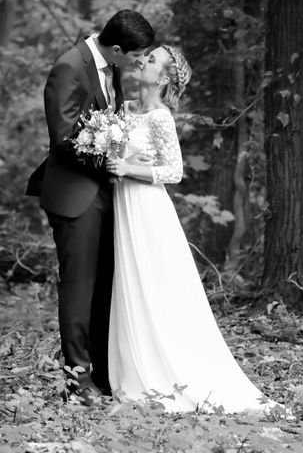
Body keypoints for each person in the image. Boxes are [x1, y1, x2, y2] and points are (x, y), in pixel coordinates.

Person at [105, 46, 285, 415]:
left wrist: (127, 169)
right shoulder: (122, 110)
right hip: (121, 208)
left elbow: (174, 171)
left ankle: (163, 372)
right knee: (128, 283)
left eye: (152, 60)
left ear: (165, 78)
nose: (143, 61)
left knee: (152, 286)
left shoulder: (160, 117)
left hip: (147, 209)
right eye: (145, 56)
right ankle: (130, 367)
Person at [25, 10, 155, 404]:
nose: (140, 63)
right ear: (117, 49)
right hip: (75, 196)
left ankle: (104, 373)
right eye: (137, 56)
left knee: (106, 288)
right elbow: (63, 136)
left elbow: (107, 116)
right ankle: (77, 384)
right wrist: (107, 151)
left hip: (105, 193)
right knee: (79, 290)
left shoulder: (110, 66)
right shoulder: (69, 66)